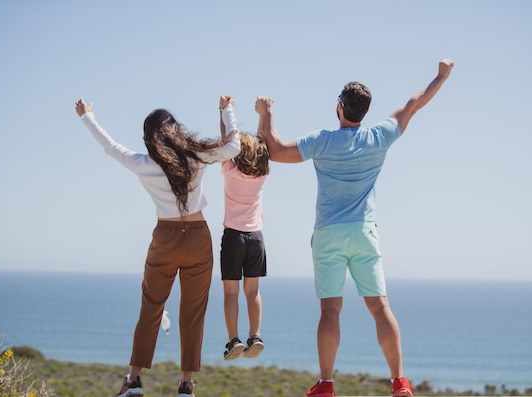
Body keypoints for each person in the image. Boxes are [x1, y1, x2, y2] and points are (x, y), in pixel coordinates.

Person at [255, 59, 455, 397]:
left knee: (331, 309)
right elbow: (415, 103)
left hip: (329, 234)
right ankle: (399, 381)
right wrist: (441, 76)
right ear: (364, 111)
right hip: (364, 232)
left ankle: (326, 384)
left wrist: (266, 112)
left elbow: (274, 150)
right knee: (380, 307)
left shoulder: (323, 141)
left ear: (339, 107)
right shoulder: (380, 136)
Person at [74, 95, 241, 397]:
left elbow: (110, 147)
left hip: (165, 238)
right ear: (176, 131)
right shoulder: (196, 156)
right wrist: (227, 110)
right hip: (197, 238)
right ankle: (186, 385)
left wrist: (87, 116)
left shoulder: (143, 164)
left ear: (149, 139)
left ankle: (135, 381)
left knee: (151, 307)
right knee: (192, 312)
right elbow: (234, 146)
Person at [218, 98, 270, 361]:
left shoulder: (230, 169)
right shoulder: (262, 174)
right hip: (256, 238)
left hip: (234, 237)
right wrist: (264, 113)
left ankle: (234, 340)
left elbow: (227, 138)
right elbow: (263, 143)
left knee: (231, 291)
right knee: (253, 291)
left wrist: (225, 110)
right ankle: (256, 335)